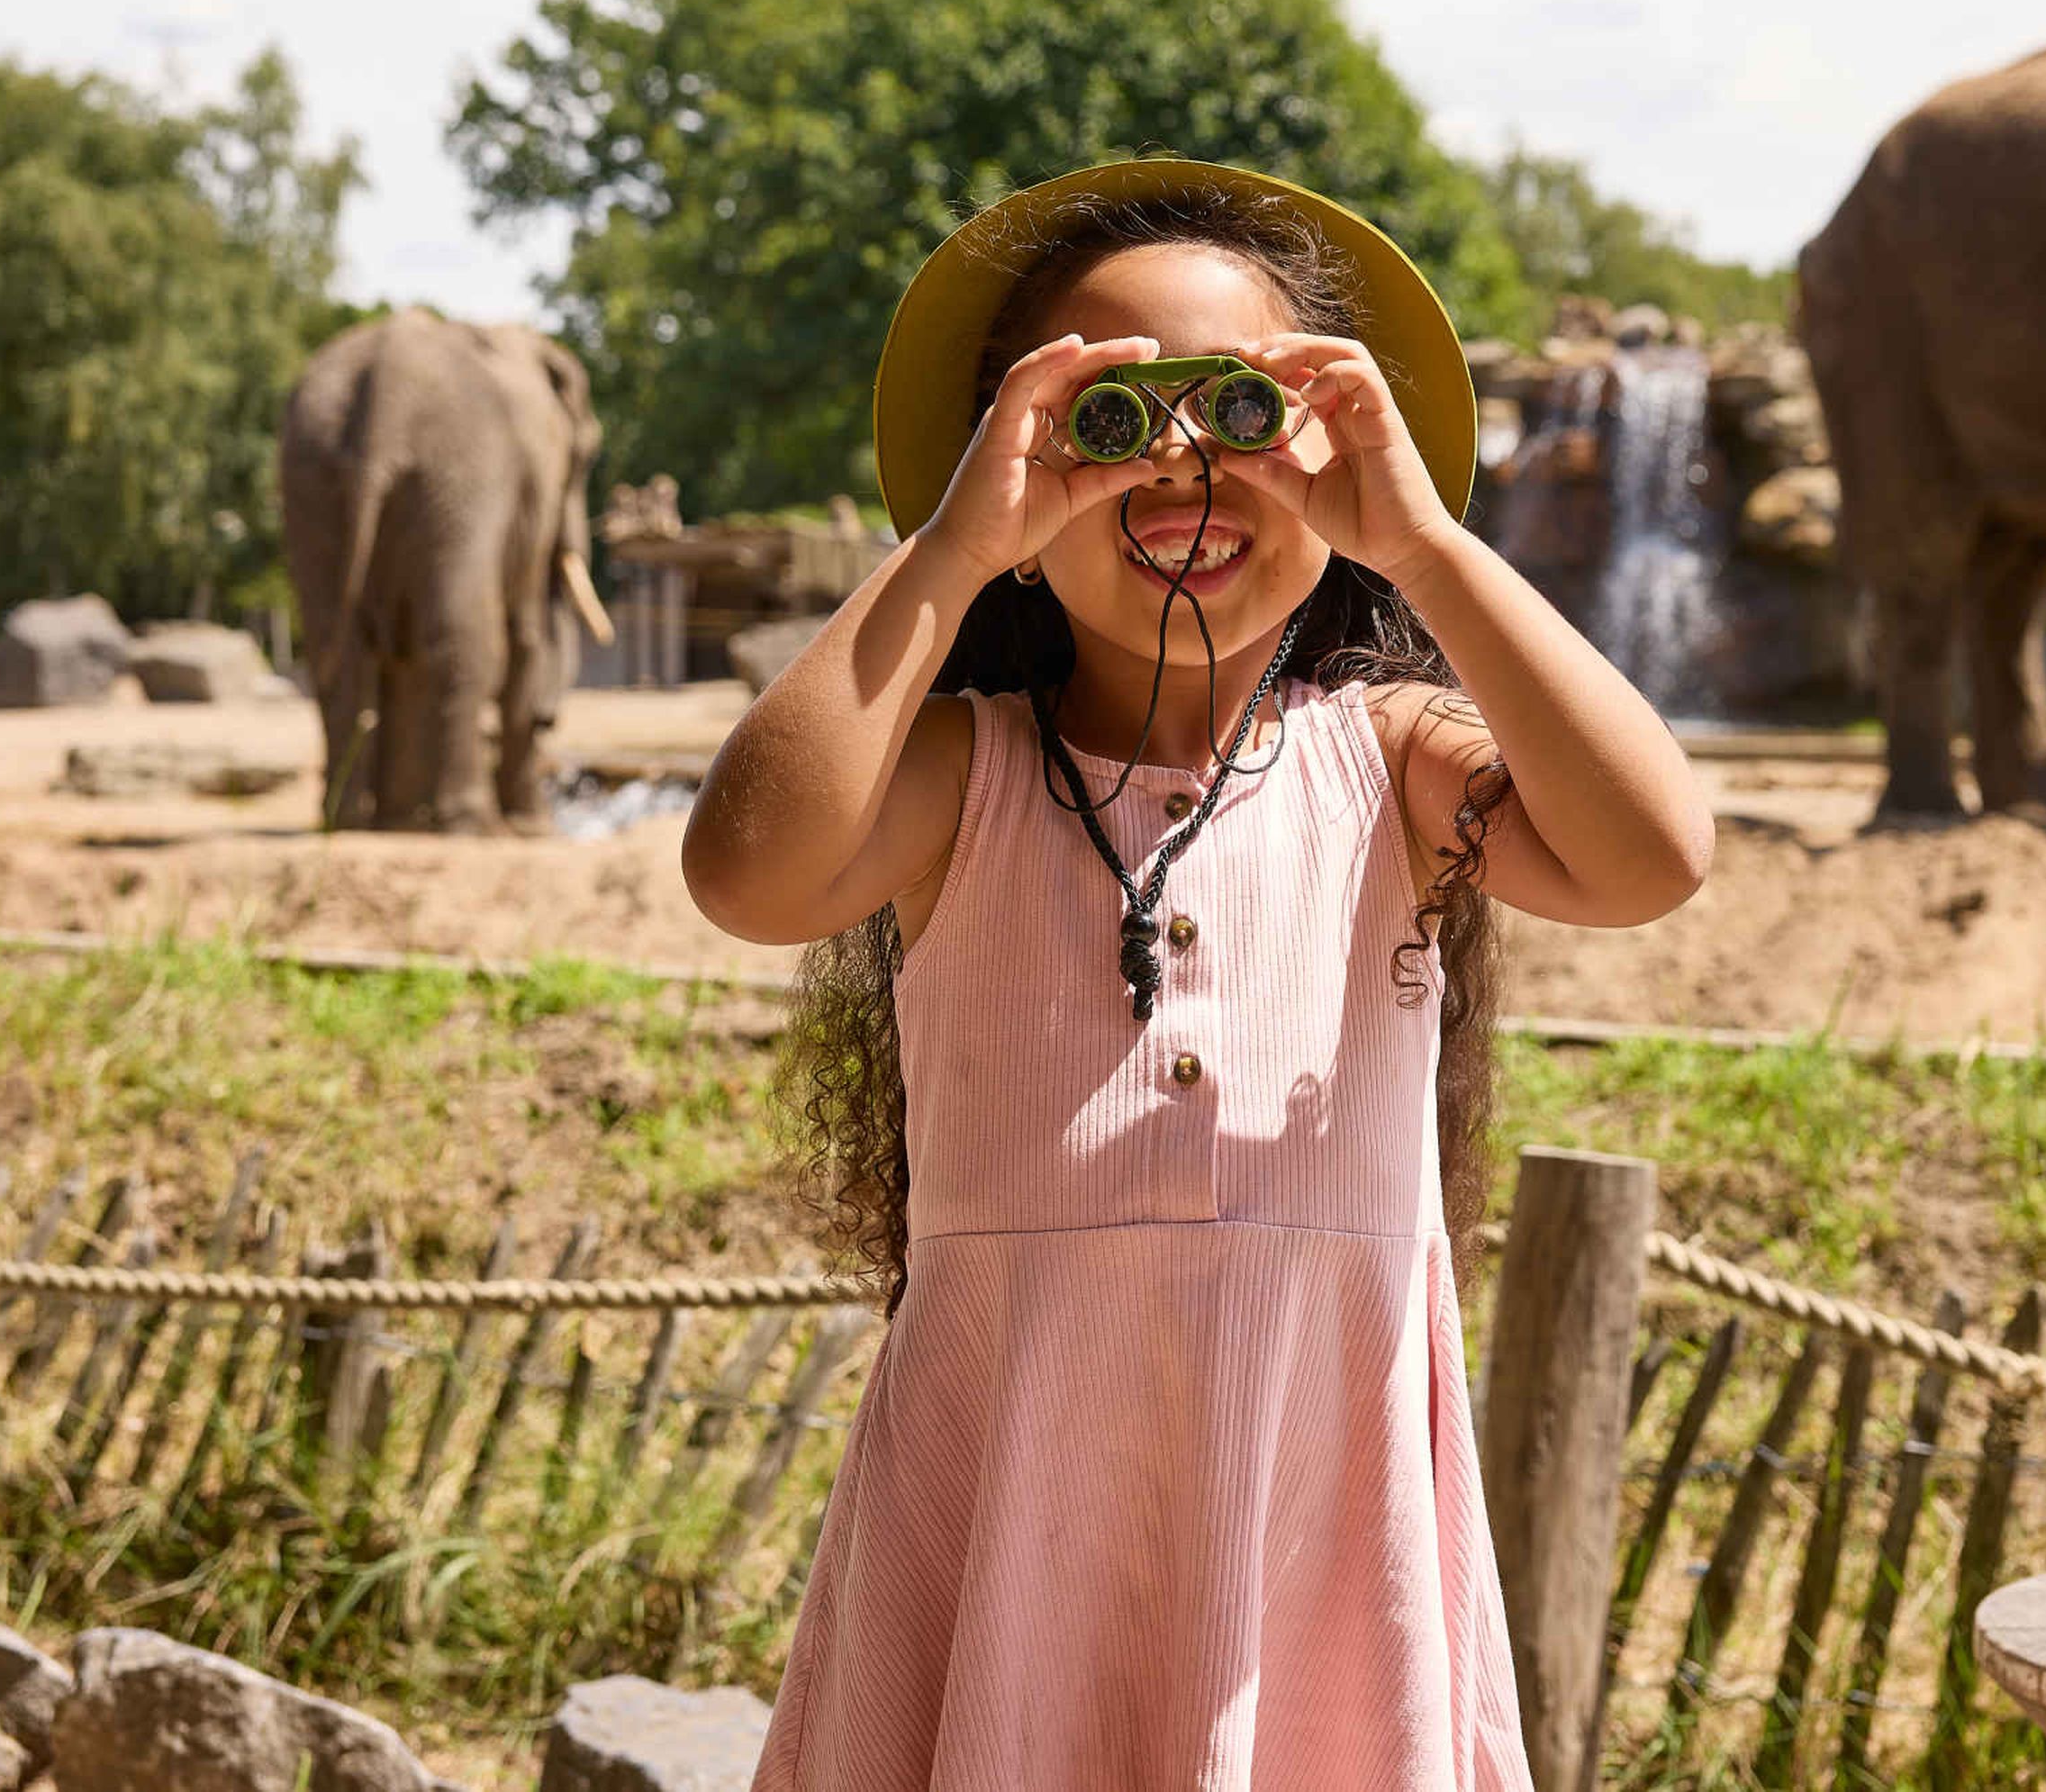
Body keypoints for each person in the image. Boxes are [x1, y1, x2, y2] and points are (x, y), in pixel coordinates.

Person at [683, 158, 1716, 1790]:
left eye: (1244, 413)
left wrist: (1423, 543)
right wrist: (953, 545)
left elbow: (1654, 850)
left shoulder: (1395, 762)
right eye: (1108, 418)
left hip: (1313, 1536)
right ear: (1020, 491)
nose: (1182, 465)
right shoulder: (960, 772)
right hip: (1012, 1512)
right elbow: (747, 873)